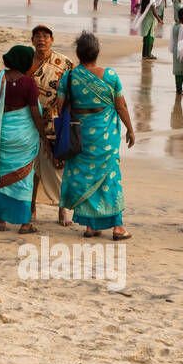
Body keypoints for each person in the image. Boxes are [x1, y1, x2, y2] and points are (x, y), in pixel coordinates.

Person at [56, 31, 134, 241]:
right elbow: (121, 105)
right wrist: (130, 129)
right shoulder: (110, 75)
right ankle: (117, 227)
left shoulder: (69, 76)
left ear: (78, 53)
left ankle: (91, 227)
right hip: (105, 135)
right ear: (97, 52)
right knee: (109, 177)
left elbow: (60, 106)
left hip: (79, 135)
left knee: (84, 177)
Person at [0, 44, 43, 234]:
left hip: (1, 135)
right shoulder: (29, 83)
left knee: (0, 173)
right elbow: (35, 113)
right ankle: (25, 224)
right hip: (23, 137)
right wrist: (43, 134)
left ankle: (1, 220)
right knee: (23, 179)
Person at [27, 25, 74, 226]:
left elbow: (72, 92)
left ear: (52, 40)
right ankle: (31, 207)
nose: (41, 40)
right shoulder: (25, 62)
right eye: (37, 36)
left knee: (58, 166)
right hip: (28, 121)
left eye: (45, 36)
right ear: (32, 41)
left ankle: (62, 209)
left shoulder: (63, 63)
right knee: (32, 167)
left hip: (55, 122)